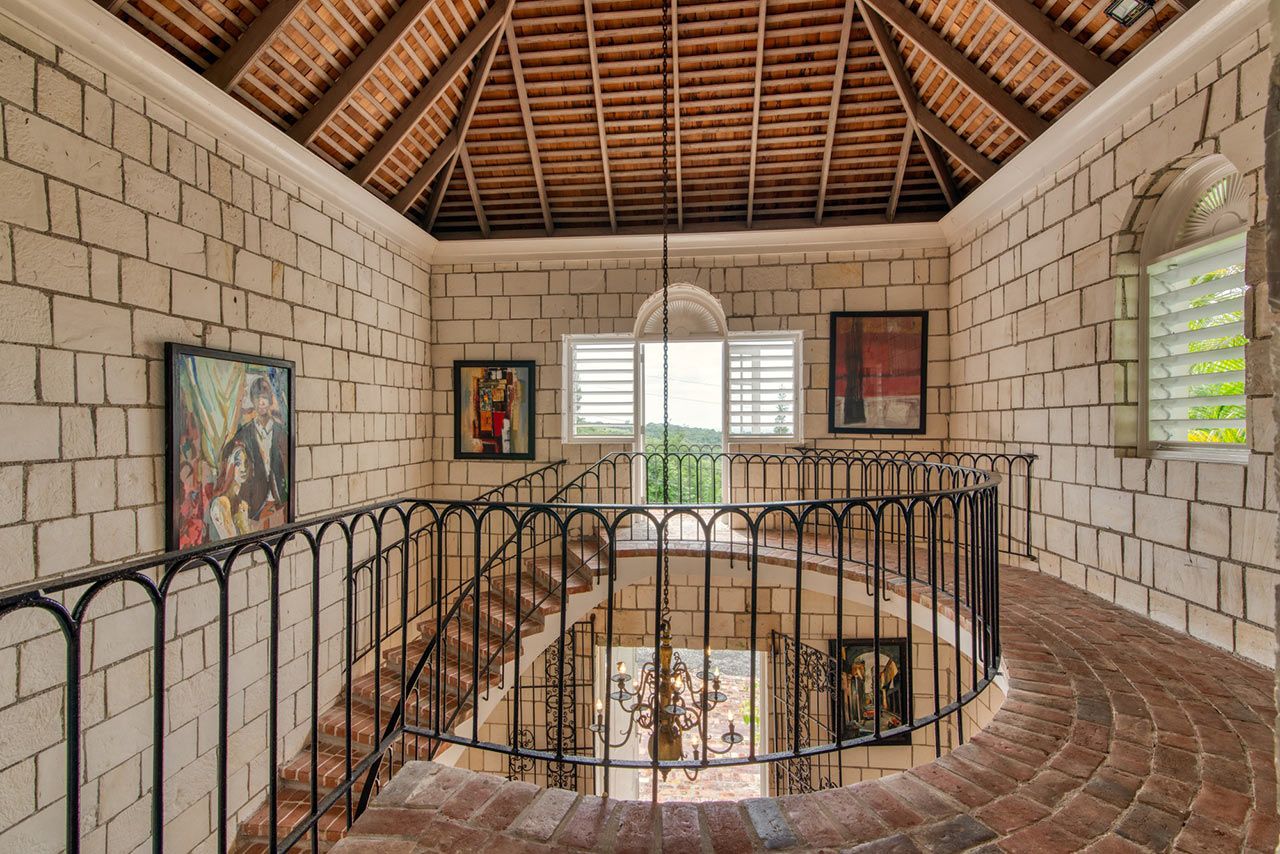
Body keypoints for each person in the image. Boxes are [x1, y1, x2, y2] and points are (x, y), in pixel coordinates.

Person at [231, 375, 288, 522]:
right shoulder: (245, 432)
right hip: (254, 502)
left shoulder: (280, 432)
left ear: (270, 400)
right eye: (257, 398)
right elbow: (231, 456)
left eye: (264, 398)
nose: (261, 402)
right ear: (252, 400)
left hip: (278, 499)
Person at [207, 443, 252, 540]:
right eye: (238, 463)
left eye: (245, 462)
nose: (243, 469)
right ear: (228, 465)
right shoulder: (221, 503)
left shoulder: (242, 505)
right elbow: (231, 543)